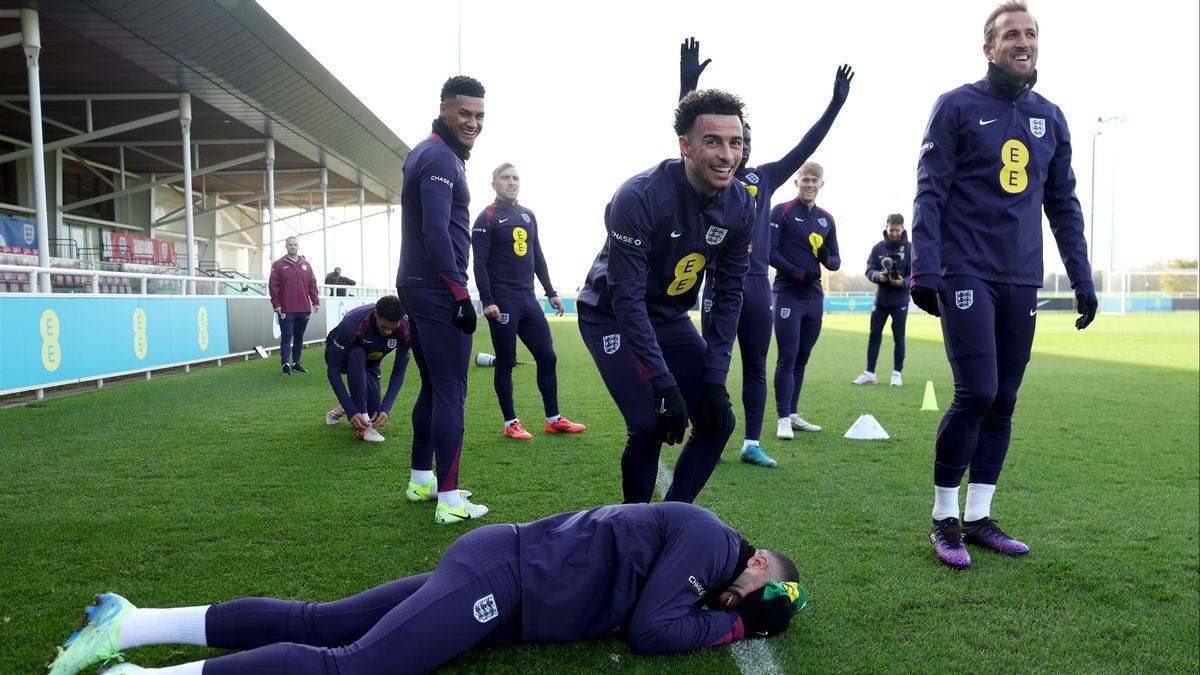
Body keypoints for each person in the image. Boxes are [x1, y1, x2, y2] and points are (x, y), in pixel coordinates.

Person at [47, 503, 807, 675]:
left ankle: (134, 621)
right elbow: (652, 630)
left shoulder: (714, 551)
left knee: (321, 621)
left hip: (498, 570)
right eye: (743, 598)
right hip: (502, 578)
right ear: (758, 566)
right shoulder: (711, 540)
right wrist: (734, 632)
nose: (727, 604)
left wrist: (731, 616)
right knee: (354, 666)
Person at [911, 0, 1098, 568]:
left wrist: (1082, 276)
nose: (1024, 42)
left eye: (1032, 34)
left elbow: (1063, 205)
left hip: (1021, 276)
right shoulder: (956, 106)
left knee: (1005, 400)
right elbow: (930, 191)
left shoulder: (1052, 116)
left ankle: (979, 516)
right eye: (1011, 34)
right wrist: (925, 267)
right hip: (965, 267)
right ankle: (944, 518)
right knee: (978, 391)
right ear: (989, 48)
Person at [678, 37, 853, 468]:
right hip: (718, 283)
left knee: (756, 364)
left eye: (742, 141)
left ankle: (752, 441)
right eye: (726, 141)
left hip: (757, 287)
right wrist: (686, 84)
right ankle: (707, 432)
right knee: (709, 364)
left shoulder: (764, 178)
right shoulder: (708, 180)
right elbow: (688, 133)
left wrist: (835, 106)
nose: (734, 149)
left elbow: (805, 149)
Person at [576, 89, 754, 505]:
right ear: (686, 146)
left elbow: (728, 295)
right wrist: (663, 383)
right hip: (611, 315)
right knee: (648, 423)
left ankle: (672, 518)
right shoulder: (638, 195)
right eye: (713, 141)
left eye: (736, 142)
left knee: (717, 420)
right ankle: (632, 529)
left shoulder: (741, 204)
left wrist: (715, 376)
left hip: (671, 318)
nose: (727, 154)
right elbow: (627, 298)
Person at [395, 75, 489, 524]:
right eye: (464, 113)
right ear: (444, 109)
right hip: (435, 287)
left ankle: (421, 480)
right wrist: (458, 292)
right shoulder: (437, 156)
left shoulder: (431, 151)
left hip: (418, 284)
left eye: (479, 115)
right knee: (452, 389)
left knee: (434, 386)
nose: (472, 122)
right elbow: (435, 229)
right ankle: (449, 500)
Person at [471, 163, 586, 440]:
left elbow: (538, 256)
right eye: (505, 178)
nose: (511, 182)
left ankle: (553, 418)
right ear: (494, 184)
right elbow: (479, 263)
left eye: (515, 178)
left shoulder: (528, 215)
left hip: (528, 299)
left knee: (548, 356)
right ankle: (510, 423)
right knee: (506, 361)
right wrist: (487, 300)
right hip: (503, 302)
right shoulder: (485, 218)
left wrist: (551, 292)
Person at [769, 162, 839, 441]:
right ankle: (782, 419)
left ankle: (794, 413)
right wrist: (798, 273)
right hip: (787, 293)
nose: (809, 185)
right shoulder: (781, 212)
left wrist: (824, 257)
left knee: (802, 358)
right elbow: (769, 252)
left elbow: (835, 261)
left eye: (814, 181)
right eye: (805, 180)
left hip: (814, 297)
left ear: (822, 184)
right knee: (787, 356)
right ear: (796, 182)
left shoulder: (827, 219)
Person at [322, 295, 410, 443]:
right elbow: (333, 370)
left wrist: (386, 408)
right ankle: (353, 407)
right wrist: (352, 411)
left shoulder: (406, 329)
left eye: (392, 328)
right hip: (341, 355)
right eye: (384, 326)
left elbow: (399, 371)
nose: (388, 332)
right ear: (376, 314)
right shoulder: (353, 322)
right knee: (357, 352)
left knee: (372, 414)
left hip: (372, 361)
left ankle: (350, 403)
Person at [852, 214, 911, 387]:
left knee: (899, 337)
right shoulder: (878, 248)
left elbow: (914, 272)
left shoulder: (909, 248)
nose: (893, 233)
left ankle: (896, 373)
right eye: (891, 229)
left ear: (902, 229)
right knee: (874, 335)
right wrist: (879, 276)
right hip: (881, 300)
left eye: (897, 230)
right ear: (886, 227)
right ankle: (870, 373)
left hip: (900, 300)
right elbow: (869, 269)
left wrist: (903, 282)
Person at [268, 236, 320, 376]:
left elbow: (312, 284)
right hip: (286, 309)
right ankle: (285, 364)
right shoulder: (278, 265)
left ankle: (296, 363)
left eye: (295, 244)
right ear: (286, 246)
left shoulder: (306, 264)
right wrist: (276, 304)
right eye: (290, 244)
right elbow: (273, 286)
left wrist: (315, 301)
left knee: (299, 337)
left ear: (298, 246)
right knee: (286, 337)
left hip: (304, 309)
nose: (293, 247)